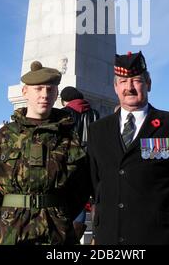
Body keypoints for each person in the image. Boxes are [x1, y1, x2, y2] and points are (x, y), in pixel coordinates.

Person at [87, 51, 169, 245]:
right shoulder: (97, 130)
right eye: (123, 82)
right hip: (110, 238)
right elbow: (95, 183)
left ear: (148, 83)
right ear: (115, 87)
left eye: (136, 80)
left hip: (160, 237)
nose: (129, 88)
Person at [0, 61, 91, 245]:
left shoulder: (69, 137)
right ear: (25, 92)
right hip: (10, 230)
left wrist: (58, 214)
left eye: (50, 90)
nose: (44, 95)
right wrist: (5, 215)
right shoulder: (4, 136)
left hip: (56, 231)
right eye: (39, 89)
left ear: (56, 95)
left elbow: (81, 187)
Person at [60, 86, 99, 241]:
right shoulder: (95, 113)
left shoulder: (65, 114)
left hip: (71, 161)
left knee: (72, 198)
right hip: (91, 161)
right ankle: (95, 236)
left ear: (65, 100)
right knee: (91, 199)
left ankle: (70, 239)